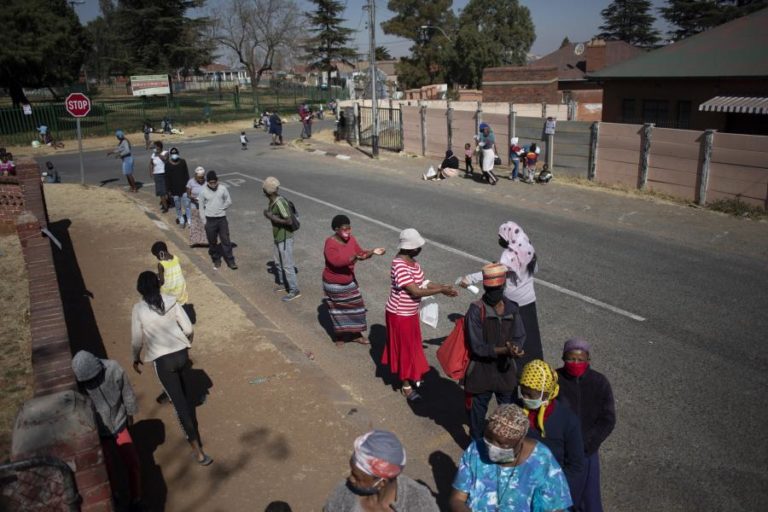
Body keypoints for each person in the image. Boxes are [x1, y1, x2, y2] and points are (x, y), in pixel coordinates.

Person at [131, 271, 212, 466]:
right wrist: (186, 342)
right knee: (184, 393)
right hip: (182, 355)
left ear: (141, 289)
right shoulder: (171, 300)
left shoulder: (139, 309)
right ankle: (189, 406)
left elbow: (136, 339)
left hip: (163, 362)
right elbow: (189, 329)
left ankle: (198, 451)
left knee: (180, 406)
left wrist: (135, 358)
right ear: (158, 285)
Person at [450, 404, 573, 511]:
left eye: (502, 443)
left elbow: (555, 508)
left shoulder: (541, 460)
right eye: (488, 438)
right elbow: (457, 499)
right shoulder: (475, 450)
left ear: (520, 440)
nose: (492, 446)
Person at [382, 228, 458, 401]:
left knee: (412, 347)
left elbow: (424, 282)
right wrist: (440, 290)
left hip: (409, 313)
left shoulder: (413, 263)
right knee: (404, 349)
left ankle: (411, 374)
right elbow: (415, 291)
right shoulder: (399, 265)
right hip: (399, 314)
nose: (420, 249)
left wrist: (442, 287)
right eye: (418, 246)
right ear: (410, 248)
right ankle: (406, 385)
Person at [461, 221, 543, 369]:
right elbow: (533, 270)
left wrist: (469, 278)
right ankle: (534, 369)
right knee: (530, 336)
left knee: (514, 335)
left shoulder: (510, 254)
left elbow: (496, 272)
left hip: (513, 302)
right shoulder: (528, 250)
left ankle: (515, 370)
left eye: (501, 237)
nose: (500, 240)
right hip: (529, 300)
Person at [71, 350, 143, 509]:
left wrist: (130, 413)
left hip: (119, 424)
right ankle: (113, 496)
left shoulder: (114, 368)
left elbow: (127, 392)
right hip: (98, 432)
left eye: (95, 378)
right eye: (87, 382)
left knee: (133, 463)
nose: (92, 383)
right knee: (106, 467)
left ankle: (136, 499)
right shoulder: (77, 386)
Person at [464, 263, 527, 440]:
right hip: (481, 371)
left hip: (505, 371)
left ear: (503, 287)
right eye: (489, 289)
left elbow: (520, 335)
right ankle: (475, 444)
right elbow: (476, 347)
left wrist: (516, 348)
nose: (493, 293)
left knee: (508, 414)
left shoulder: (512, 309)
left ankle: (505, 444)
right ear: (484, 287)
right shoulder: (476, 310)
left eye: (497, 289)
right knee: (477, 413)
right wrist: (504, 350)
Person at [556, 338, 615, 512]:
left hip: (587, 451)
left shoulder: (600, 382)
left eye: (580, 360)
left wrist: (588, 444)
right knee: (563, 495)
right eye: (571, 359)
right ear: (563, 358)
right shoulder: (555, 379)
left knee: (589, 499)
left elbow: (608, 419)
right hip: (563, 450)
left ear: (588, 360)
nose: (575, 363)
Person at [518, 359, 585, 504]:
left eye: (531, 395)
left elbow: (576, 465)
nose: (525, 398)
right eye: (523, 393)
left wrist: (555, 490)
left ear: (547, 394)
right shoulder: (516, 411)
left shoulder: (567, 420)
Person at [324, 430, 439, 512]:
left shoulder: (420, 504)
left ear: (382, 482)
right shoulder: (345, 493)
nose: (350, 478)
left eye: (357, 477)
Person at [323, 214, 386, 346]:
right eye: (344, 229)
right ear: (336, 229)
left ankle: (356, 334)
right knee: (338, 311)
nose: (348, 232)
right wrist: (354, 257)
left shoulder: (351, 239)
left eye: (349, 228)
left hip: (349, 281)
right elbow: (336, 262)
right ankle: (339, 336)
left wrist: (373, 252)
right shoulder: (330, 243)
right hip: (333, 284)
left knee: (357, 308)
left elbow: (361, 253)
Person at [262, 177, 300, 301]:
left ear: (268, 191)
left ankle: (294, 290)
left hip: (285, 237)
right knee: (278, 262)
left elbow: (288, 220)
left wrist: (271, 217)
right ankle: (283, 284)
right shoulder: (272, 201)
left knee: (287, 265)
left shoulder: (279, 202)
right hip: (278, 236)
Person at [199, 170, 237, 270]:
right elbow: (201, 207)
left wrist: (222, 208)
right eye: (211, 183)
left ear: (217, 180)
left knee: (226, 240)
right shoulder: (203, 192)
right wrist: (204, 221)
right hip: (210, 220)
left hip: (221, 219)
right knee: (212, 242)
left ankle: (231, 260)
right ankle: (216, 259)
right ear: (207, 182)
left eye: (215, 182)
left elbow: (229, 201)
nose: (213, 184)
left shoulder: (222, 188)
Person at [151, 241, 188, 306]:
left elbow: (162, 281)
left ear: (161, 253)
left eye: (156, 256)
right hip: (181, 288)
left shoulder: (161, 264)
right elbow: (172, 271)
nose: (157, 258)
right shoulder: (176, 258)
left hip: (171, 291)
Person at [165, 147, 191, 227]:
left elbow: (186, 175)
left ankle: (189, 220)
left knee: (187, 205)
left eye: (176, 153)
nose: (174, 155)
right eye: (173, 154)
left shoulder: (183, 162)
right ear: (170, 155)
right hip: (174, 190)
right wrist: (168, 190)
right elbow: (167, 178)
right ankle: (181, 220)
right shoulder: (168, 164)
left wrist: (188, 187)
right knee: (178, 206)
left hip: (184, 188)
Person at [186, 167, 208, 247]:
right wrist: (192, 198)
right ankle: (194, 242)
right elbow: (188, 194)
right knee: (195, 224)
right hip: (194, 205)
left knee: (204, 224)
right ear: (195, 176)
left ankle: (205, 242)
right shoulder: (191, 182)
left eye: (202, 178)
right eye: (199, 178)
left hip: (205, 207)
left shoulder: (206, 182)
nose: (201, 179)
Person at [149, 141, 169, 211]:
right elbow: (151, 163)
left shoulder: (165, 152)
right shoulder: (153, 155)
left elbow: (165, 159)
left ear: (159, 147)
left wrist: (158, 153)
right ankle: (165, 206)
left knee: (165, 190)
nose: (154, 148)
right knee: (160, 191)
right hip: (157, 174)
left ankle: (166, 202)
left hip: (164, 173)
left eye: (155, 147)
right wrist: (151, 172)